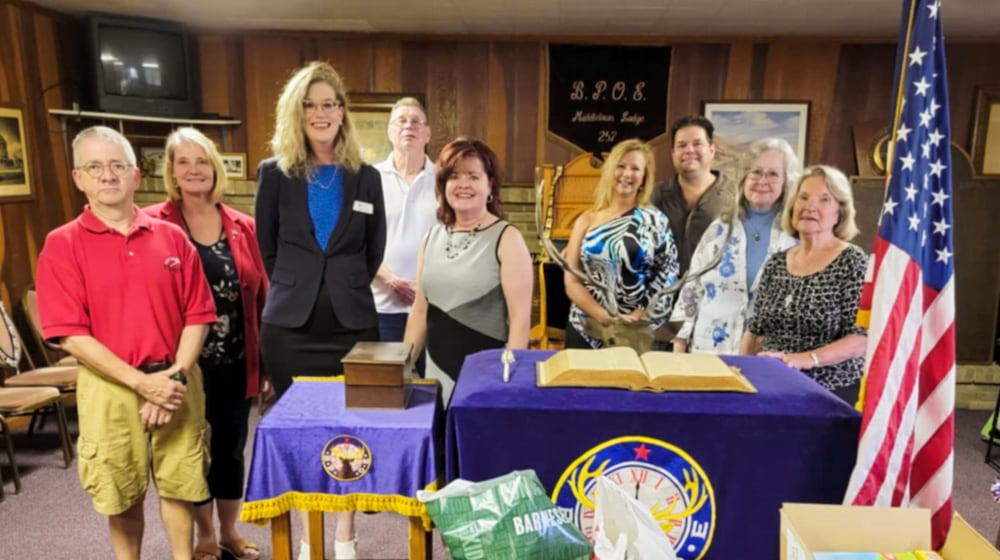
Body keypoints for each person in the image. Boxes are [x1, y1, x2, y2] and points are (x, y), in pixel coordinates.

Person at [36, 126, 216, 560]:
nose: (108, 175)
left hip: (176, 380)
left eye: (118, 165)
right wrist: (142, 384)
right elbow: (71, 336)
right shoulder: (62, 245)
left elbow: (200, 314)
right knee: (121, 492)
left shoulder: (172, 237)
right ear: (79, 178)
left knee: (181, 484)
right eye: (95, 167)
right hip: (110, 387)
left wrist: (169, 380)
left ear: (136, 176)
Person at [255, 61, 385, 560]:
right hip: (290, 328)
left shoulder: (365, 177)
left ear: (342, 112)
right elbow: (268, 250)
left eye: (330, 103)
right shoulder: (274, 174)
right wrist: (299, 284)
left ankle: (345, 537)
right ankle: (311, 538)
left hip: (354, 325)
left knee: (350, 432)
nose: (321, 112)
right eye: (310, 104)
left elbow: (374, 249)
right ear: (296, 112)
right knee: (302, 432)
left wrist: (341, 285)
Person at [142, 127, 268, 560]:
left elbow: (261, 296)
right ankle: (204, 536)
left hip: (236, 358)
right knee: (193, 448)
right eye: (184, 162)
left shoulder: (243, 225)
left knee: (232, 448)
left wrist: (264, 364)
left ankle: (230, 531)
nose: (194, 170)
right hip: (183, 365)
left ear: (215, 169)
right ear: (171, 173)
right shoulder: (153, 225)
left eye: (202, 161)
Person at [403, 137, 533, 405]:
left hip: (485, 380)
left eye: (473, 176)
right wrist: (402, 368)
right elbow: (419, 311)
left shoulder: (507, 238)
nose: (463, 184)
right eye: (453, 176)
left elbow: (520, 320)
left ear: (490, 185)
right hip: (435, 376)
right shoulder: (431, 238)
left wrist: (505, 379)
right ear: (443, 186)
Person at [740, 165, 868, 404]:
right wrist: (741, 376)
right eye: (804, 197)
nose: (810, 206)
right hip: (772, 385)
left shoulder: (853, 261)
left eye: (824, 199)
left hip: (828, 389)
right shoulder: (776, 263)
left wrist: (806, 359)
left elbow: (860, 339)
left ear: (840, 212)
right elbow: (755, 332)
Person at [671, 138, 801, 355]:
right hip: (709, 351)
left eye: (773, 174)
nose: (762, 180)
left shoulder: (795, 235)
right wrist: (679, 346)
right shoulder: (720, 228)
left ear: (787, 182)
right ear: (744, 178)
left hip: (766, 355)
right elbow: (691, 288)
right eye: (756, 172)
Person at [563, 138, 679, 349]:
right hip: (586, 328)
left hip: (637, 333)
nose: (627, 174)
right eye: (621, 166)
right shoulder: (585, 220)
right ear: (610, 171)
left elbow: (667, 274)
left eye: (635, 168)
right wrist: (604, 317)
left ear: (644, 177)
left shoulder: (657, 221)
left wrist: (639, 315)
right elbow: (571, 281)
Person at [372, 97, 437, 373]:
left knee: (432, 390)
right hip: (382, 308)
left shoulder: (445, 181)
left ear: (427, 133)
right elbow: (358, 242)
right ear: (390, 131)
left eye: (416, 121)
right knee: (386, 391)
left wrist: (423, 288)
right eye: (401, 121)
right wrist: (391, 280)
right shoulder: (370, 179)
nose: (408, 126)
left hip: (433, 310)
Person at [652, 114, 736, 277]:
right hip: (663, 295)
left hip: (714, 295)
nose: (689, 150)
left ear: (712, 150)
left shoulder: (736, 195)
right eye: (682, 145)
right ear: (673, 153)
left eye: (697, 144)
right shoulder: (653, 195)